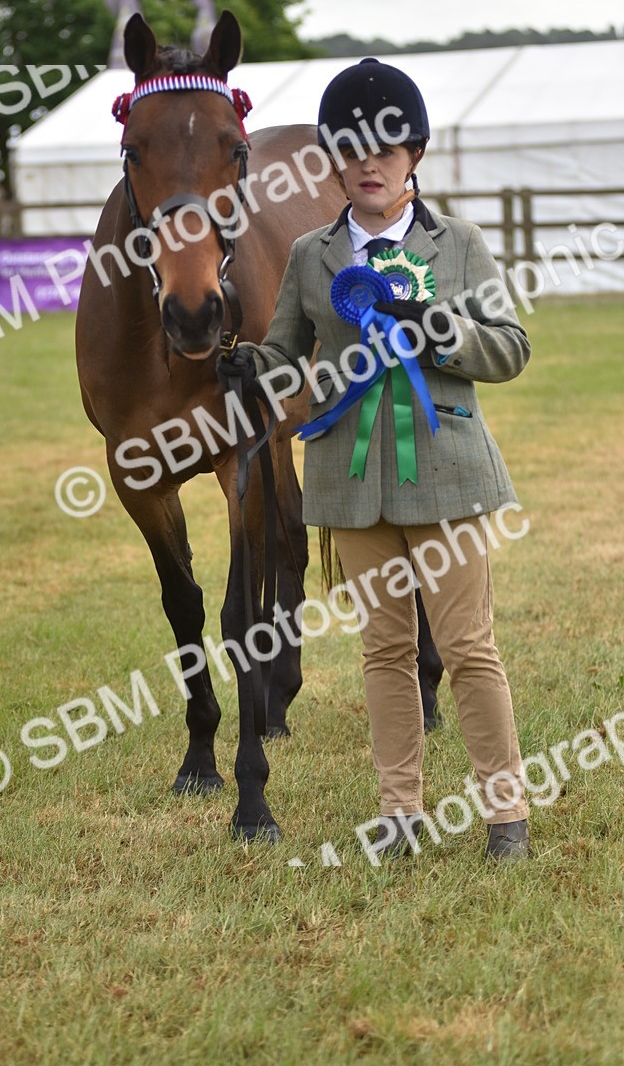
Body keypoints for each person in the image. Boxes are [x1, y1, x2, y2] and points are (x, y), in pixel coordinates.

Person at [217, 58, 531, 862]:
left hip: (446, 470)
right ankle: (399, 811)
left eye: (387, 148)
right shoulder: (311, 256)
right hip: (350, 481)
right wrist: (249, 363)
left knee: (466, 647)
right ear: (331, 159)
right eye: (351, 148)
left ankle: (505, 812)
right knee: (384, 651)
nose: (369, 162)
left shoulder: (455, 244)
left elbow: (508, 349)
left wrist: (439, 331)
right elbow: (286, 355)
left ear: (413, 156)